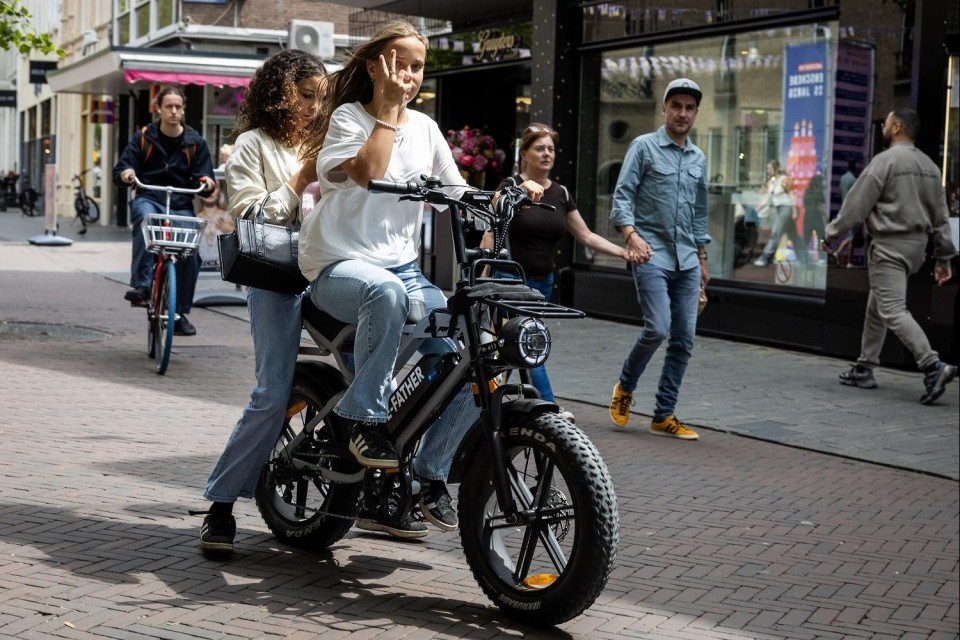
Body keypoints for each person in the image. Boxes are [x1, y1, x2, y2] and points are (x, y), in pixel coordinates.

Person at [297, 20, 543, 537]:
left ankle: (428, 474)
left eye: (416, 67)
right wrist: (386, 107)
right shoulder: (348, 119)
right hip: (338, 266)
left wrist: (499, 196)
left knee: (468, 347)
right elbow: (366, 172)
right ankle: (361, 419)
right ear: (373, 67)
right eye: (398, 64)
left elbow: (455, 190)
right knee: (385, 293)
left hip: (401, 270)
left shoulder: (427, 129)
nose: (408, 75)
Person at [196, 50, 327, 554]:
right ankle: (221, 505)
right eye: (306, 96)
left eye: (321, 97)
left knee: (372, 369)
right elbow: (250, 217)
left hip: (331, 270)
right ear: (280, 94)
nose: (315, 107)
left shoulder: (328, 139)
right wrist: (299, 179)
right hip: (276, 274)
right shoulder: (251, 145)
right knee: (271, 392)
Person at [481, 122, 643, 421]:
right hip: (509, 281)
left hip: (543, 283)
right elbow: (492, 229)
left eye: (551, 149)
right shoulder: (509, 186)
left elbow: (586, 236)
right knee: (529, 343)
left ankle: (486, 404)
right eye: (539, 148)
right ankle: (549, 409)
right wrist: (482, 278)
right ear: (525, 154)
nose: (546, 154)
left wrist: (623, 251)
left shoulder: (561, 193)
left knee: (513, 348)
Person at [821, 108, 957, 405]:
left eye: (885, 123)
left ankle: (933, 366)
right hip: (916, 248)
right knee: (878, 304)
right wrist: (945, 258)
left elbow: (856, 205)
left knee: (892, 309)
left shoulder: (885, 162)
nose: (882, 126)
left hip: (889, 246)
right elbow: (942, 218)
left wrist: (831, 234)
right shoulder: (931, 167)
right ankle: (864, 367)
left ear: (896, 127)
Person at [607, 77, 708, 440]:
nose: (682, 113)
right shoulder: (644, 147)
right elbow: (622, 197)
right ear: (664, 109)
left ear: (695, 113)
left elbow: (699, 213)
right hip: (650, 253)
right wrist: (631, 237)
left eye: (689, 107)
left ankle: (663, 415)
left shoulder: (698, 157)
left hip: (687, 259)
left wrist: (702, 258)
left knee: (683, 339)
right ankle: (626, 387)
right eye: (676, 106)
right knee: (658, 328)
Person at [113, 86, 216, 336]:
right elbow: (121, 170)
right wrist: (127, 174)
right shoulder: (143, 137)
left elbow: (205, 178)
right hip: (149, 196)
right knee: (144, 219)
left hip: (180, 204)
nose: (173, 111)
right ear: (158, 108)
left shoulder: (195, 142)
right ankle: (142, 285)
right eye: (168, 106)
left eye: (178, 107)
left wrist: (207, 183)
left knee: (191, 251)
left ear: (183, 109)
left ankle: (179, 312)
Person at [832, 160, 864, 267]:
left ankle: (849, 261)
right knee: (851, 236)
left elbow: (840, 191)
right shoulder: (853, 179)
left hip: (843, 208)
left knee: (851, 236)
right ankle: (838, 253)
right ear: (854, 168)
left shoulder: (843, 178)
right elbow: (856, 195)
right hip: (851, 209)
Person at [802, 171, 827, 265]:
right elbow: (820, 207)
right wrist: (826, 216)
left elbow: (804, 205)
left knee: (806, 239)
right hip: (817, 217)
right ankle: (821, 258)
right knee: (821, 237)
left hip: (807, 216)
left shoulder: (807, 191)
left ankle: (803, 258)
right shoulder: (818, 192)